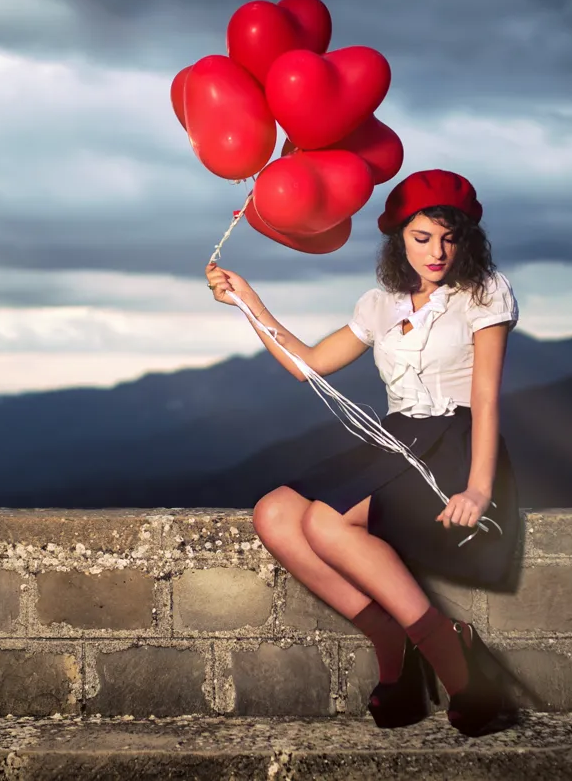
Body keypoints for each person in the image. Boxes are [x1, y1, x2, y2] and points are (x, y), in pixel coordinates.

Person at [205, 169, 520, 735]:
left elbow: (486, 396)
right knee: (273, 514)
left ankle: (458, 670)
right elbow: (309, 365)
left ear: (467, 238)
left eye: (450, 237)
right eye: (422, 237)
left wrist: (478, 488)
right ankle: (391, 635)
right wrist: (247, 301)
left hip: (453, 444)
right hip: (393, 444)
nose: (437, 251)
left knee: (326, 524)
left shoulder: (483, 292)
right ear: (399, 237)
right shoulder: (379, 304)